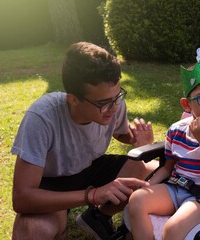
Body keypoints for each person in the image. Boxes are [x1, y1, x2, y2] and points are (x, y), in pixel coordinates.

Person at [11, 41, 158, 240]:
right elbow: (22, 198)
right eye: (104, 103)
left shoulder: (113, 103)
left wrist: (136, 139)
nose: (114, 108)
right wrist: (93, 195)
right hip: (51, 183)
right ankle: (64, 215)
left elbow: (119, 132)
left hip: (91, 166)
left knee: (156, 172)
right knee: (34, 231)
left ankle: (98, 217)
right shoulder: (42, 117)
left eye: (117, 96)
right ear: (73, 99)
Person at [128, 48, 200, 240]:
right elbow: (168, 168)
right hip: (175, 187)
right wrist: (147, 185)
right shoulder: (176, 130)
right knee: (137, 200)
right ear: (187, 105)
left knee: (173, 229)